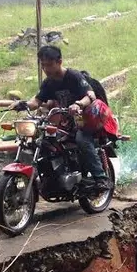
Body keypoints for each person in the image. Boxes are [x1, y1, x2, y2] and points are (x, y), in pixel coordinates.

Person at [22, 46, 113, 191]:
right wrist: (22, 104)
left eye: (49, 64)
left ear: (59, 62)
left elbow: (90, 95)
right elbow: (37, 102)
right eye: (43, 65)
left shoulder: (74, 76)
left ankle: (100, 178)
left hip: (84, 120)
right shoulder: (48, 83)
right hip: (64, 123)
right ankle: (53, 177)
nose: (46, 69)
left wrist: (78, 104)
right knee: (44, 140)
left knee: (82, 140)